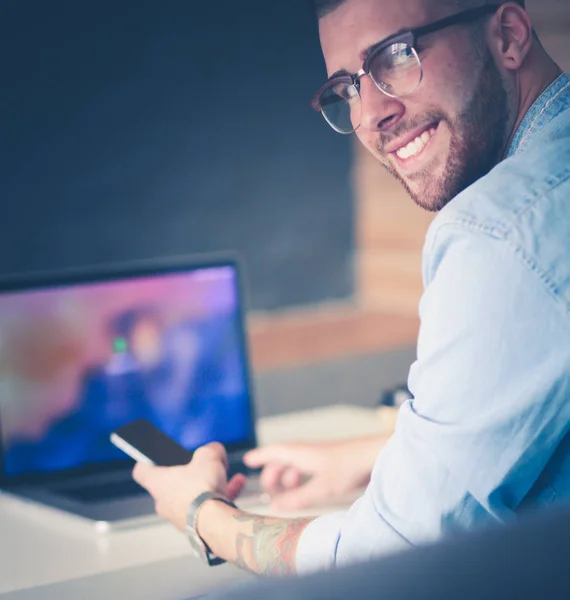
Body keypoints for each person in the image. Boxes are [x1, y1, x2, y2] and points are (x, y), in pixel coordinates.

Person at [133, 0, 570, 577]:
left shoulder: (497, 234)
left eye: (396, 56)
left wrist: (200, 512)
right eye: (347, 86)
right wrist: (376, 457)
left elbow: (394, 561)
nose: (371, 115)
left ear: (509, 36)